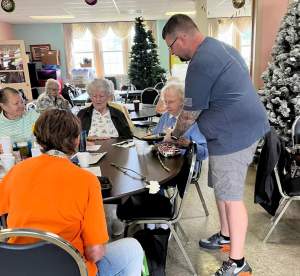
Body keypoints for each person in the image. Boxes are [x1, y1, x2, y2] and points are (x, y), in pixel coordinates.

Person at [162, 14, 270, 276]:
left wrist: (173, 137)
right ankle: (225, 235)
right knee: (222, 190)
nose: (173, 53)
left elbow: (188, 115)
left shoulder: (201, 63)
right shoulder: (219, 47)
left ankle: (238, 262)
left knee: (232, 198)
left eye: (171, 46)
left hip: (235, 135)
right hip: (230, 132)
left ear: (183, 37)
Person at [0, 109, 144, 276]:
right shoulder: (87, 181)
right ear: (76, 141)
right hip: (70, 269)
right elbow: (95, 253)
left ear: (39, 142)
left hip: (19, 268)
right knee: (133, 248)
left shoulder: (16, 171)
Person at [152, 80, 208, 165]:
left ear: (183, 101)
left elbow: (204, 154)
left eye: (171, 102)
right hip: (163, 162)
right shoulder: (165, 116)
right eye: (165, 101)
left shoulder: (192, 121)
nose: (167, 106)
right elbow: (154, 138)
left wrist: (189, 144)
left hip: (183, 166)